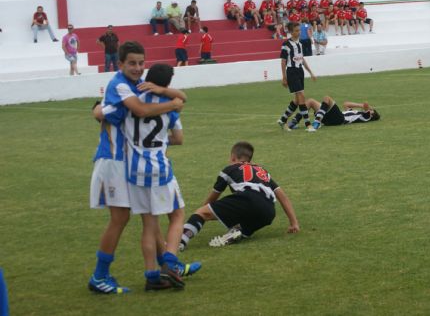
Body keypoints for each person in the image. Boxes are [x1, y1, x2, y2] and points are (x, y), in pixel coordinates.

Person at [88, 41, 186, 295]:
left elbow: (103, 110)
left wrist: (169, 93)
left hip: (130, 161)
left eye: (141, 63)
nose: (137, 68)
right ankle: (99, 276)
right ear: (120, 64)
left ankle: (165, 267)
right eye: (132, 63)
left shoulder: (135, 86)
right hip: (114, 159)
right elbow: (139, 110)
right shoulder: (120, 84)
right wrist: (172, 104)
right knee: (120, 218)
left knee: (148, 216)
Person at [122, 63, 190, 290]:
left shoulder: (133, 100)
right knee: (178, 215)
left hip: (134, 169)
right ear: (168, 83)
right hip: (159, 167)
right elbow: (178, 138)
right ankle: (170, 263)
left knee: (149, 224)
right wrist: (161, 141)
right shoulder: (170, 105)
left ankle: (151, 275)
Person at [179, 141, 300, 251]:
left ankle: (180, 242)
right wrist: (294, 223)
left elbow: (213, 198)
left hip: (248, 199)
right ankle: (237, 232)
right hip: (268, 211)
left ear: (232, 157)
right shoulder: (262, 171)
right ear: (250, 160)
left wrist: (201, 215)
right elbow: (283, 197)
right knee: (240, 226)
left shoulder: (229, 169)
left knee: (201, 212)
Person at [277, 22, 316, 132]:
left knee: (297, 100)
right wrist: (284, 77)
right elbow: (283, 61)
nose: (298, 32)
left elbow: (302, 59)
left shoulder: (300, 44)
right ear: (291, 32)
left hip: (300, 72)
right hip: (292, 72)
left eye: (299, 30)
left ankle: (283, 120)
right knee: (302, 96)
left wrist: (311, 72)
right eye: (296, 31)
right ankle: (308, 125)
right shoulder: (286, 44)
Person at [287, 96, 381, 131]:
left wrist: (367, 107)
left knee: (327, 98)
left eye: (371, 110)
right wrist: (360, 105)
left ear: (371, 114)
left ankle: (316, 122)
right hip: (332, 119)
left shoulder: (367, 117)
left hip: (340, 119)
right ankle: (294, 122)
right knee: (310, 101)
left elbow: (365, 105)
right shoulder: (356, 113)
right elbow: (346, 104)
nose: (369, 110)